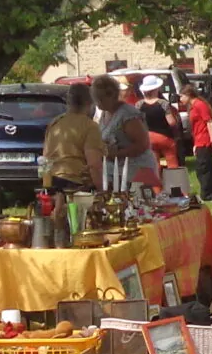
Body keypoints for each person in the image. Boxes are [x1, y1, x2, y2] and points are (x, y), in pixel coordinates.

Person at [40, 83, 103, 244]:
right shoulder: (89, 126)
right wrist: (102, 191)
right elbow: (94, 164)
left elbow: (45, 157)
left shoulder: (55, 123)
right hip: (77, 186)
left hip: (52, 183)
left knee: (55, 235)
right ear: (90, 104)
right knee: (79, 234)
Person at [93, 74, 156, 190]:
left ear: (111, 96)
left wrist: (116, 154)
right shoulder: (105, 113)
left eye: (100, 99)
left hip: (136, 171)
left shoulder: (128, 114)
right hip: (117, 172)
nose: (97, 103)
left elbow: (142, 145)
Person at [183, 80, 212, 201]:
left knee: (203, 168)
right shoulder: (192, 107)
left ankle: (207, 194)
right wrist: (195, 144)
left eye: (182, 96)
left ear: (188, 95)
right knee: (207, 167)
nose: (180, 99)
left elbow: (208, 121)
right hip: (198, 140)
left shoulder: (200, 105)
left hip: (204, 139)